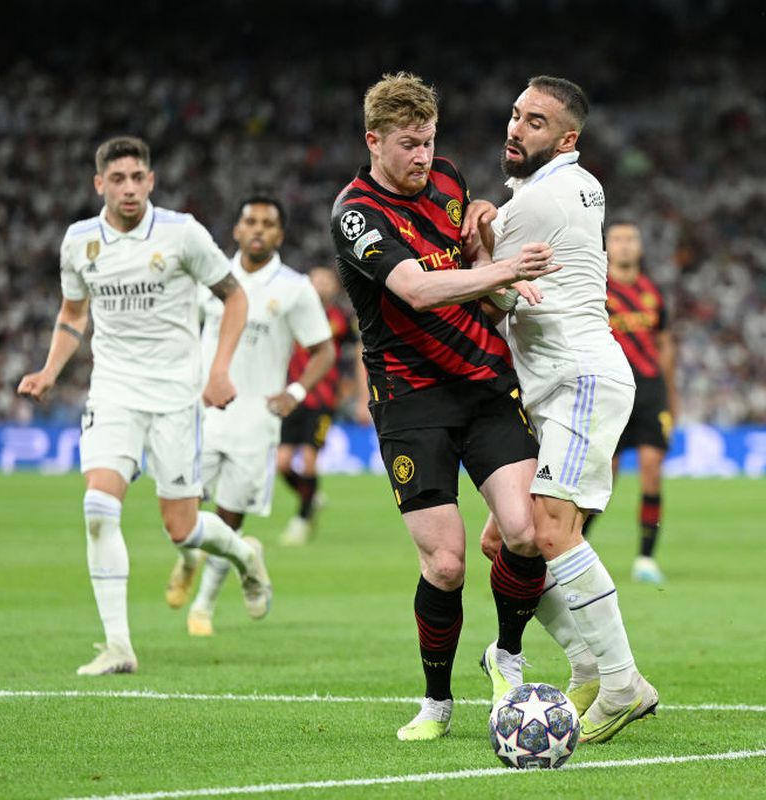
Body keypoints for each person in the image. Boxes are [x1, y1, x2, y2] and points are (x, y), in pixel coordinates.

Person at [331, 72, 562, 741]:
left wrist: (484, 233)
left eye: (429, 142)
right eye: (408, 145)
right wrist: (506, 268)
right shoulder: (357, 214)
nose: (423, 157)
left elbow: (469, 258)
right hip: (410, 401)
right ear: (373, 140)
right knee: (448, 563)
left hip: (485, 384)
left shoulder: (453, 181)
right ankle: (436, 702)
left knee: (526, 534)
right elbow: (417, 290)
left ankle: (508, 658)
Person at [16, 136, 271, 675]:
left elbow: (236, 297)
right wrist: (48, 370)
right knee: (98, 509)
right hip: (112, 392)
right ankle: (119, 647)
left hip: (176, 397)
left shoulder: (181, 233)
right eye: (118, 179)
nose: (129, 188)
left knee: (181, 528)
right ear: (99, 185)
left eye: (138, 178)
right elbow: (72, 315)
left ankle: (246, 556)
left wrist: (219, 368)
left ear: (151, 181)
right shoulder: (79, 241)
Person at [470, 76, 659, 743]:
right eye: (516, 114)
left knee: (550, 534)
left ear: (567, 139)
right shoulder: (577, 185)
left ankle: (621, 682)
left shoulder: (534, 203)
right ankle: (586, 663)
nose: (516, 129)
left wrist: (476, 241)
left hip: (577, 378)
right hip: (562, 384)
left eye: (537, 122)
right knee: (506, 540)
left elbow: (487, 298)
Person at [164, 196, 336, 636]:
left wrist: (295, 392)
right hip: (200, 416)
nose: (258, 229)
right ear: (237, 230)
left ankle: (202, 606)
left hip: (255, 424)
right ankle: (194, 558)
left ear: (279, 235)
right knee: (179, 512)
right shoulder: (209, 278)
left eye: (268, 224)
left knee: (229, 517)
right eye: (250, 221)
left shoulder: (294, 288)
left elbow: (324, 349)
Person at [578, 221, 680, 584]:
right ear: (606, 246)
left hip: (650, 390)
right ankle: (572, 552)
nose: (624, 245)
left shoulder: (653, 293)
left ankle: (646, 559)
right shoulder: (594, 290)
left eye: (631, 239)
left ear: (639, 248)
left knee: (653, 472)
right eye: (618, 239)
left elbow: (665, 344)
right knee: (604, 476)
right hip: (609, 390)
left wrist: (671, 394)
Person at [276, 266, 357, 546]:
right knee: (281, 462)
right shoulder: (291, 312)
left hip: (323, 400)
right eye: (315, 280)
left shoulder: (341, 318)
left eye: (326, 281)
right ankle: (310, 497)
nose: (321, 285)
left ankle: (301, 520)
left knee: (309, 461)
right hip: (292, 396)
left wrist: (359, 391)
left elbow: (358, 350)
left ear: (335, 287)